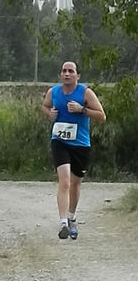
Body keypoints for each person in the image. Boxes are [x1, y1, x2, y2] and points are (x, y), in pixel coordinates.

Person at [42, 61, 106, 240]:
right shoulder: (53, 92)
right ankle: (63, 223)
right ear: (60, 75)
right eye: (64, 71)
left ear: (78, 76)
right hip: (59, 141)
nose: (67, 74)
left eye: (71, 71)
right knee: (64, 182)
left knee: (75, 183)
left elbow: (102, 116)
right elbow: (45, 105)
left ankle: (71, 217)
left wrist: (82, 109)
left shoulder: (85, 93)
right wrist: (49, 114)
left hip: (80, 144)